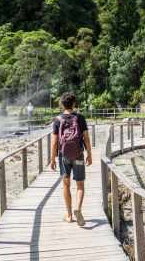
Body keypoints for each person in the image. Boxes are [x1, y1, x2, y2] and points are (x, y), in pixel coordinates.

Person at [49, 92, 92, 226]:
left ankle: (68, 215)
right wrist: (89, 154)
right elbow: (86, 138)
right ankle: (78, 208)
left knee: (66, 184)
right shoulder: (80, 118)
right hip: (78, 154)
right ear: (74, 104)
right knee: (80, 185)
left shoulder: (57, 120)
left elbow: (55, 142)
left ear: (62, 104)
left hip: (64, 156)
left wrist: (52, 159)